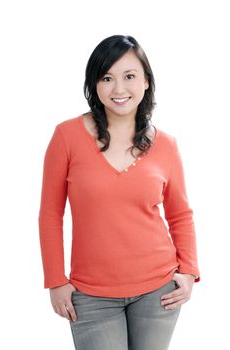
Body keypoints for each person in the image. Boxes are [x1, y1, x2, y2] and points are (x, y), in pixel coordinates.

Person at [38, 34, 200, 350]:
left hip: (158, 292)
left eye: (129, 76)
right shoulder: (66, 137)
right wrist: (55, 281)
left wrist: (189, 271)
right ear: (94, 85)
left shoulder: (166, 145)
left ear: (146, 83)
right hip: (90, 295)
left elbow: (180, 214)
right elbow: (49, 214)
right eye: (107, 78)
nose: (119, 89)